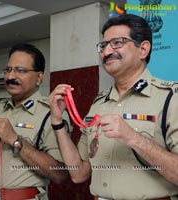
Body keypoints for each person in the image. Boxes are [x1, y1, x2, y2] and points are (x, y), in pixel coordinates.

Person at [50, 14, 178, 200]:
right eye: (103, 46)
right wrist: (57, 122)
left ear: (143, 49)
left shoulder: (170, 98)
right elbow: (79, 173)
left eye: (117, 42)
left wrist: (134, 138)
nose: (107, 51)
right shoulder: (98, 103)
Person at [0, 43, 69, 200]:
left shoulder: (51, 113)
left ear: (39, 78)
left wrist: (16, 140)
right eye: (8, 70)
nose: (10, 76)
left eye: (20, 71)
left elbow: (60, 174)